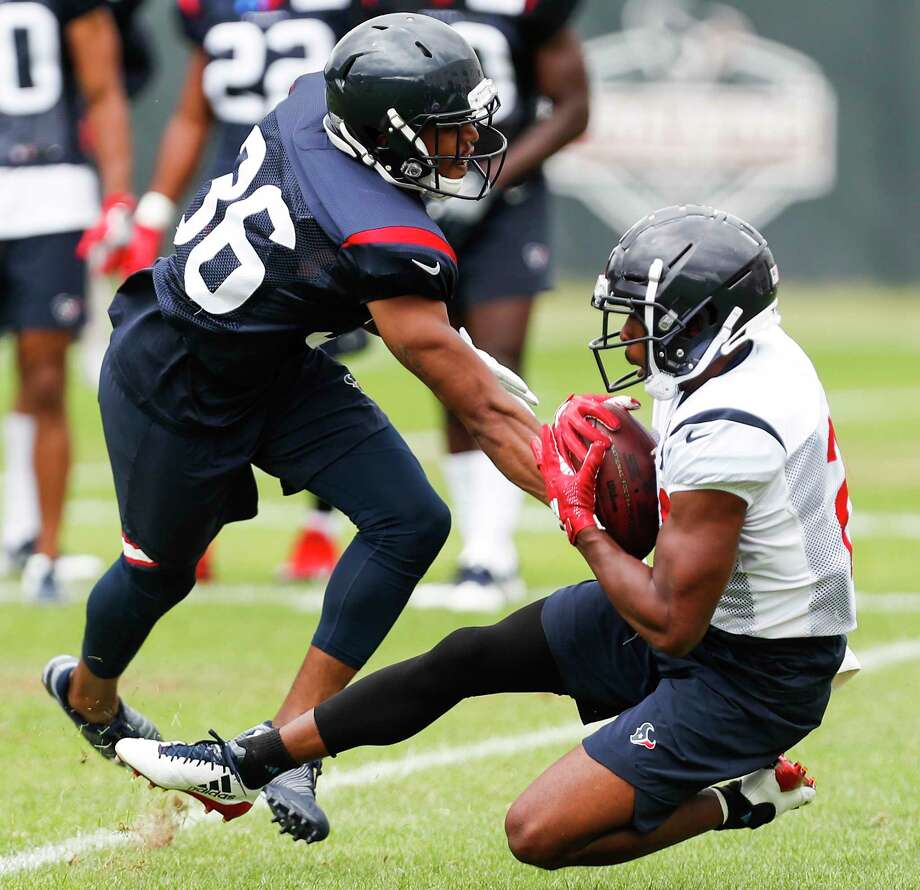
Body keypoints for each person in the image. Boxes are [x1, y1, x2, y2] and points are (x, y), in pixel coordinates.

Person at [115, 206, 857, 868]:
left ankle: (744, 798)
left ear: (704, 321)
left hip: (754, 671)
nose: (629, 333)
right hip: (726, 615)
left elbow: (668, 625)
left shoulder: (732, 425)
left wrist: (582, 518)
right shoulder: (750, 356)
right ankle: (245, 763)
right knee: (469, 655)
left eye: (644, 316)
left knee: (537, 833)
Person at [43, 13, 544, 844]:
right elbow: (483, 411)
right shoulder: (385, 236)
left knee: (411, 519)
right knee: (160, 573)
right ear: (388, 133)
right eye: (446, 132)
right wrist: (583, 501)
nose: (468, 146)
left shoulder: (319, 100)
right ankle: (87, 695)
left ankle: (287, 742)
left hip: (272, 363)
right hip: (174, 378)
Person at [354, 0, 589, 609]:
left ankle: (490, 552)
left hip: (504, 202)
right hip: (415, 188)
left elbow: (573, 107)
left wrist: (495, 174)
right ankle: (480, 549)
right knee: (446, 364)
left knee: (497, 354)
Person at [117, 0, 362, 583]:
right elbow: (193, 114)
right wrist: (152, 208)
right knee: (214, 360)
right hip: (239, 205)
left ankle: (318, 531)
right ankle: (199, 525)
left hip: (316, 203)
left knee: (321, 365)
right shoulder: (210, 11)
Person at [0, 0, 134, 601]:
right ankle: (19, 528)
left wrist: (117, 196)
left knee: (44, 373)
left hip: (51, 193)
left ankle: (44, 550)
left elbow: (104, 90)